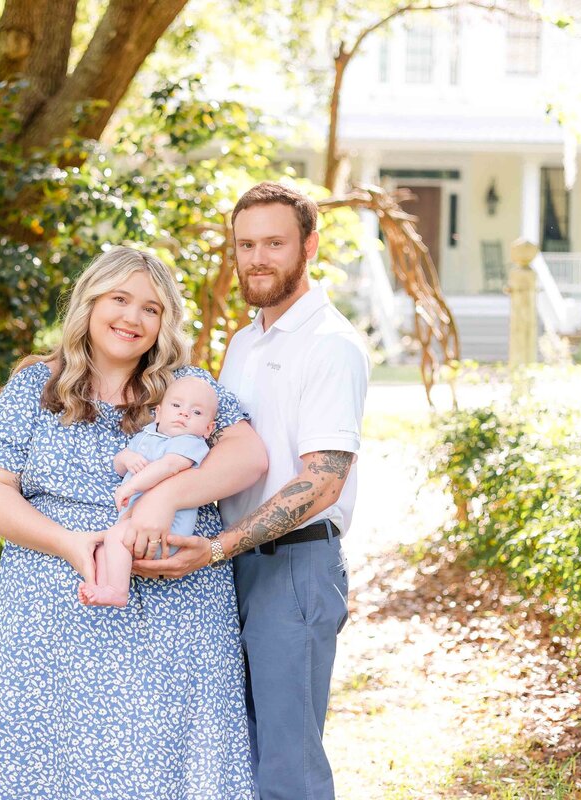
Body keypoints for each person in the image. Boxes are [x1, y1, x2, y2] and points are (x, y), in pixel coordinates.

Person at [0, 245, 265, 800]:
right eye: (119, 299)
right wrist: (70, 543)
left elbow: (248, 456)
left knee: (158, 765)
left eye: (150, 308)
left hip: (174, 615)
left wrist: (163, 497)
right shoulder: (35, 385)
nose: (132, 317)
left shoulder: (186, 388)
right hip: (51, 607)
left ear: (165, 321)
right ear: (89, 302)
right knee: (44, 761)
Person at [131, 182, 369, 800]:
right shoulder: (245, 340)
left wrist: (216, 547)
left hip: (293, 564)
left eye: (275, 243)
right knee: (237, 752)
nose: (257, 258)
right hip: (228, 565)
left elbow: (322, 479)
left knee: (288, 764)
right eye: (246, 244)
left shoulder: (331, 346)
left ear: (309, 247)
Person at [79, 376, 219, 607]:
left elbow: (168, 466)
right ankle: (103, 589)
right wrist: (127, 457)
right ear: (159, 412)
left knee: (115, 538)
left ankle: (117, 592)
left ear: (208, 428)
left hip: (166, 528)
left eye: (196, 412)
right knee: (105, 546)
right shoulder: (146, 436)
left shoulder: (189, 443)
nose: (184, 414)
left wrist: (131, 486)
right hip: (137, 520)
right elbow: (118, 465)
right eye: (176, 406)